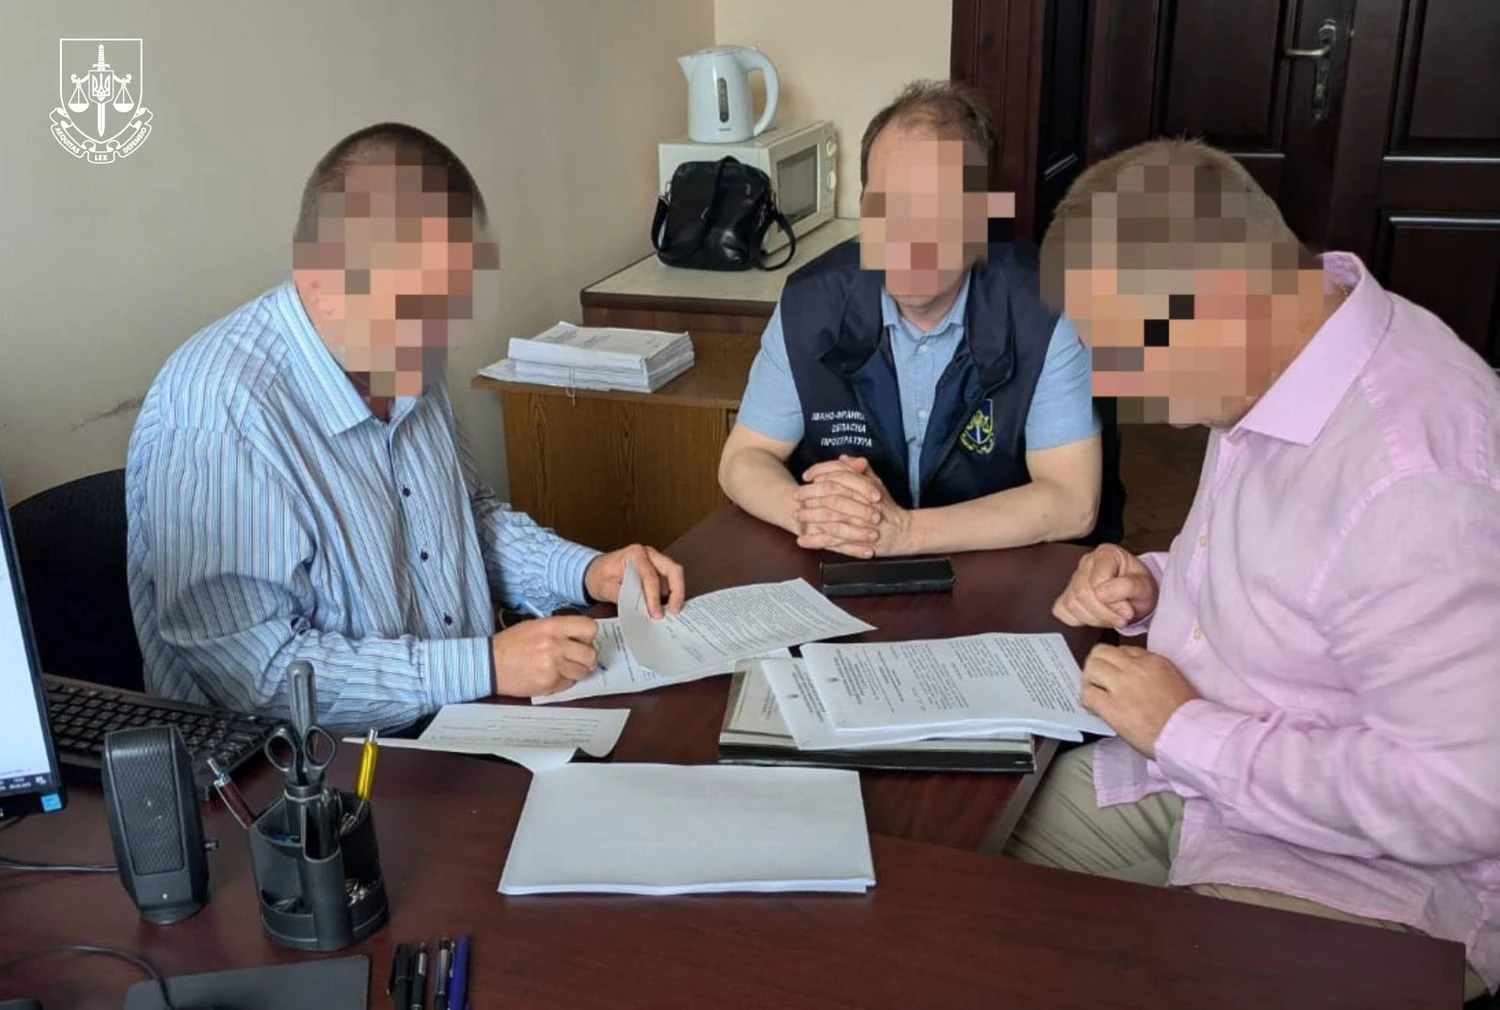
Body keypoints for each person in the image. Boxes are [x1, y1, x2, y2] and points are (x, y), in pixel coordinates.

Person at [1009, 137, 1500, 1002]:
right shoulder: (1286, 357)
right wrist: (1157, 585)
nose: (1117, 383)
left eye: (1127, 348)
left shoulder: (1411, 481)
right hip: (1207, 788)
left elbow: (1461, 798)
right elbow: (1315, 581)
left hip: (1378, 881)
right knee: (946, 863)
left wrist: (1186, 730)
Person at [126, 123, 685, 734]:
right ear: (322, 286)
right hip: (300, 768)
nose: (439, 336)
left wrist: (584, 571)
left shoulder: (408, 345)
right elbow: (254, 676)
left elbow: (465, 519)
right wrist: (484, 666)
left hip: (459, 722)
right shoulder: (219, 411)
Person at [716, 79, 1124, 559]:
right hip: (845, 565)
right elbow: (743, 459)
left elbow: (1072, 502)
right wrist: (813, 513)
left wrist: (905, 533)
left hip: (1000, 569)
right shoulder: (812, 302)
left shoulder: (1047, 306)